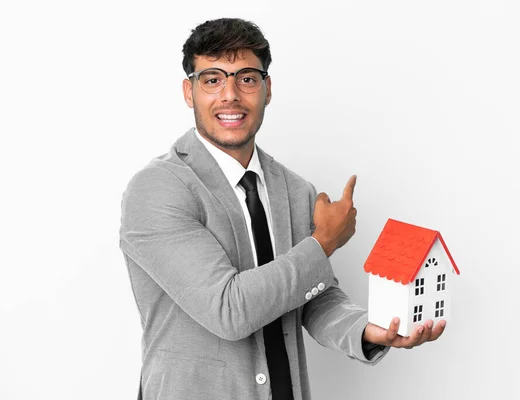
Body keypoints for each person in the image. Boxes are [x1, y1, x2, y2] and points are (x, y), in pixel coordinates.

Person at [119, 17, 445, 400]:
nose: (230, 95)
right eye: (212, 79)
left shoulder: (294, 190)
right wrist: (323, 243)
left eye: (246, 78)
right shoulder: (158, 189)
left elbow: (313, 295)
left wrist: (366, 329)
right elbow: (229, 310)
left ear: (266, 89)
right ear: (189, 92)